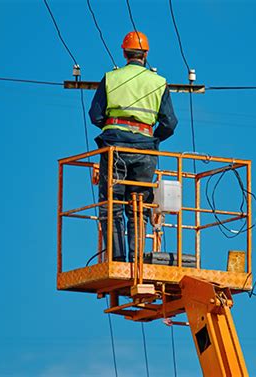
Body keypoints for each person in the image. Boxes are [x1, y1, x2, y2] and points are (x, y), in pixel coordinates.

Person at [89, 31, 178, 262]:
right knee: (138, 207)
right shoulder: (158, 82)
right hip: (144, 150)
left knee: (112, 206)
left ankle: (117, 260)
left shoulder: (111, 78)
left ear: (124, 52)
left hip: (114, 148)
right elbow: (170, 123)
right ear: (146, 54)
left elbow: (95, 115)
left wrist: (113, 126)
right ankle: (137, 259)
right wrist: (151, 139)